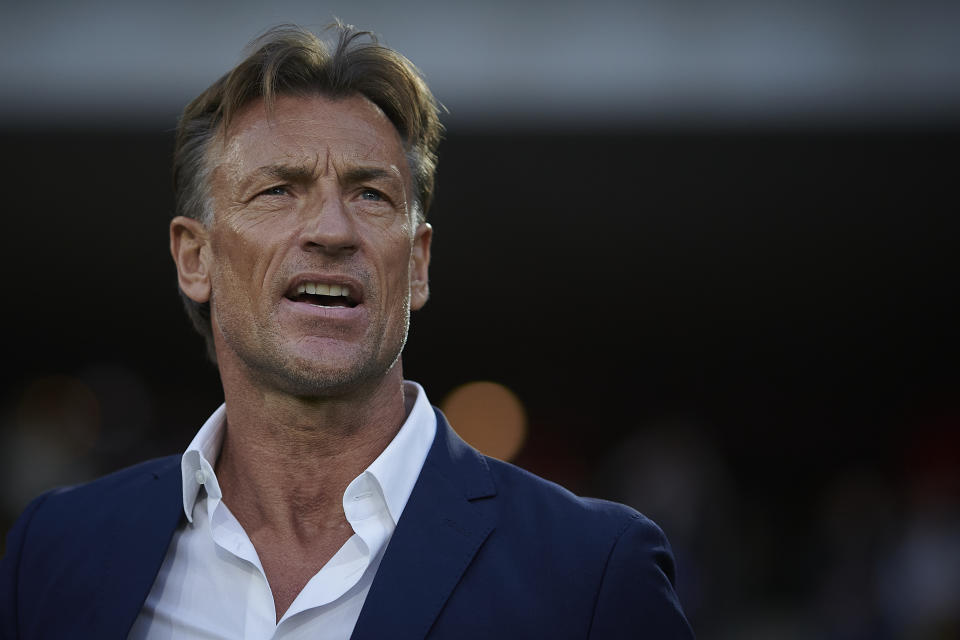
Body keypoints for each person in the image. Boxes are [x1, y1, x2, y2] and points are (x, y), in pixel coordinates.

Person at [0, 23, 693, 639]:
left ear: (416, 265)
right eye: (278, 190)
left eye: (370, 194)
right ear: (195, 258)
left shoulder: (592, 570)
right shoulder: (56, 550)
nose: (333, 230)